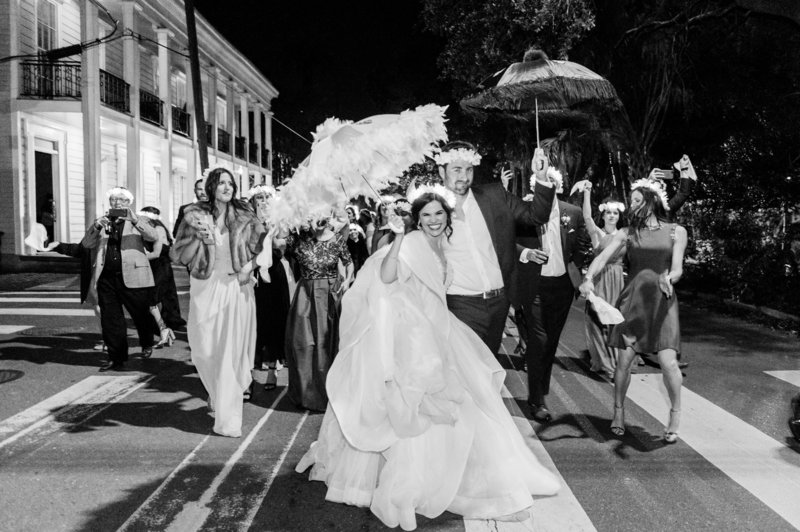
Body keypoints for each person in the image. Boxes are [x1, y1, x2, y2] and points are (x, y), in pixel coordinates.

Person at [295, 187, 559, 531]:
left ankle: (446, 469)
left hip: (441, 327)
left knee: (459, 404)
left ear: (447, 217)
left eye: (438, 214)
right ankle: (417, 478)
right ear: (417, 220)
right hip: (415, 336)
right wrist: (401, 237)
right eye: (426, 216)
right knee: (419, 408)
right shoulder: (413, 242)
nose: (433, 221)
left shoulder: (445, 242)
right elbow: (387, 277)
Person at [579, 178, 688, 443]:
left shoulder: (676, 231)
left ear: (651, 201)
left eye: (637, 200)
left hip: (662, 300)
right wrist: (589, 278)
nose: (632, 205)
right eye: (632, 200)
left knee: (668, 362)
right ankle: (618, 411)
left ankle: (675, 413)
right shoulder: (627, 232)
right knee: (624, 362)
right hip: (632, 301)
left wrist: (670, 278)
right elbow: (602, 257)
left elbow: (677, 268)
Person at [171, 167, 266, 437]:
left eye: (230, 184)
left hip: (236, 286)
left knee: (230, 353)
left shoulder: (246, 216)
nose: (227, 187)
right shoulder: (194, 215)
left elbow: (265, 247)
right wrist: (198, 240)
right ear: (211, 186)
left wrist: (249, 267)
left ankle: (228, 418)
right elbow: (177, 254)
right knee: (204, 348)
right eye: (221, 183)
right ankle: (216, 391)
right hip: (205, 286)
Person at [437, 141, 555, 357]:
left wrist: (541, 178)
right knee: (469, 371)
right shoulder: (432, 209)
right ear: (441, 171)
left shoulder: (494, 196)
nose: (463, 176)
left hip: (499, 302)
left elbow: (536, 216)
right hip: (459, 304)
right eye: (456, 170)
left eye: (468, 169)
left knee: (489, 366)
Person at [516, 169, 592, 423]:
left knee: (550, 343)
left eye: (551, 184)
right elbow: (506, 240)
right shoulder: (524, 210)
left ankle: (540, 389)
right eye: (542, 184)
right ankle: (537, 400)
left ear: (557, 187)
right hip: (534, 284)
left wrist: (577, 269)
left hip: (561, 286)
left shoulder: (573, 212)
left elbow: (582, 244)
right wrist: (526, 252)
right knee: (539, 339)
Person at [81, 186, 159, 371]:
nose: (116, 203)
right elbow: (86, 244)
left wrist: (135, 219)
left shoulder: (139, 220)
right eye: (113, 200)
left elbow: (153, 236)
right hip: (107, 277)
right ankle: (116, 358)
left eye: (121, 200)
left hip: (134, 275)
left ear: (128, 203)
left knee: (141, 315)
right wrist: (97, 226)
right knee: (111, 320)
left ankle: (147, 341)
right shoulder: (102, 222)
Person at [284, 215, 354, 412]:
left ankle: (330, 393)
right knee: (303, 343)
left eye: (322, 216)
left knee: (328, 344)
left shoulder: (338, 239)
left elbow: (348, 262)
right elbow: (277, 241)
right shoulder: (299, 238)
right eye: (314, 216)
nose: (319, 220)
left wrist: (347, 281)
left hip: (330, 295)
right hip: (305, 295)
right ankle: (306, 394)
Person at [580, 185, 626, 380]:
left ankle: (618, 363)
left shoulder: (624, 234)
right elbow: (587, 218)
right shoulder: (598, 234)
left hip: (617, 280)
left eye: (615, 213)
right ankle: (604, 363)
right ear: (604, 215)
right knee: (596, 320)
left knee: (615, 321)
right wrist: (587, 193)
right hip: (599, 279)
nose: (612, 216)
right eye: (608, 212)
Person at [247, 185, 291, 391]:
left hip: (273, 273)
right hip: (251, 272)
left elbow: (281, 246)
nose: (263, 201)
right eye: (259, 198)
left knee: (275, 320)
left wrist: (270, 231)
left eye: (267, 197)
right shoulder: (246, 221)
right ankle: (248, 372)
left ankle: (273, 370)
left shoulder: (279, 221)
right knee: (254, 321)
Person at [138, 206, 182, 347]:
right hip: (153, 267)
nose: (139, 219)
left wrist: (138, 258)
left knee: (152, 299)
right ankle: (165, 330)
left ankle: (164, 329)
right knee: (154, 299)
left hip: (160, 267)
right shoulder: (147, 229)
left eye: (142, 216)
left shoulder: (158, 229)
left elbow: (156, 253)